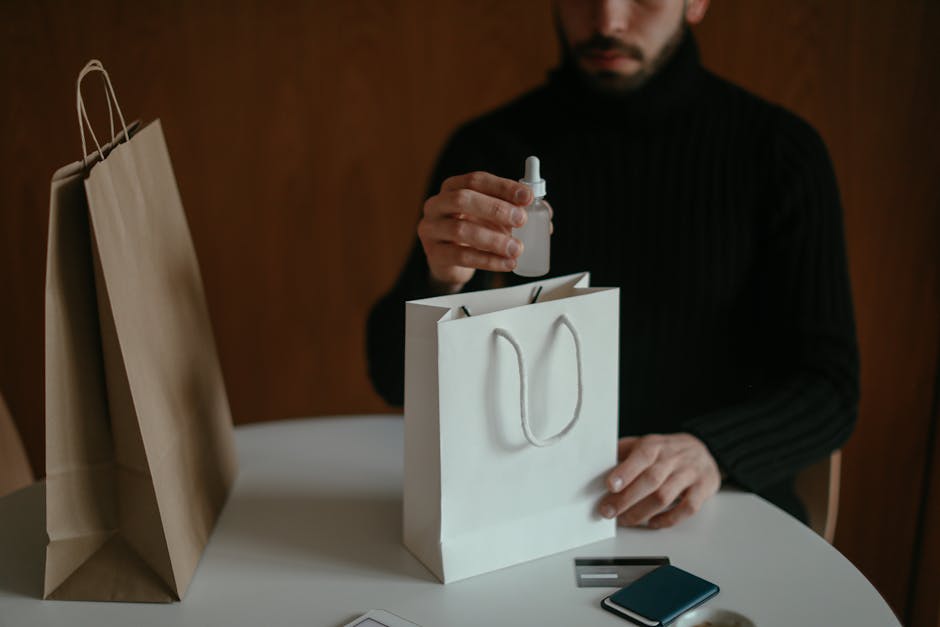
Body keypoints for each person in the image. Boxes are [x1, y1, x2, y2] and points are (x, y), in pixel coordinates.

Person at [366, 0, 859, 529]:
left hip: (715, 508)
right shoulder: (490, 146)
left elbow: (831, 387)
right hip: (528, 507)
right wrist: (440, 279)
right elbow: (392, 380)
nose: (608, 22)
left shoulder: (779, 154)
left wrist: (711, 450)